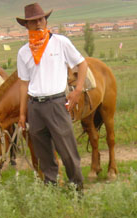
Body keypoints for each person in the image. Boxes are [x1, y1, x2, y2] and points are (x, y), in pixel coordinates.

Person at [16, 3, 87, 192]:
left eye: (41, 19)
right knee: (43, 154)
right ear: (26, 25)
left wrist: (78, 90)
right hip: (34, 106)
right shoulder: (23, 52)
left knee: (67, 151)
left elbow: (82, 63)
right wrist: (23, 114)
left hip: (56, 103)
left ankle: (77, 191)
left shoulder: (60, 42)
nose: (38, 23)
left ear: (46, 20)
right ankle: (51, 192)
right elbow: (23, 84)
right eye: (33, 21)